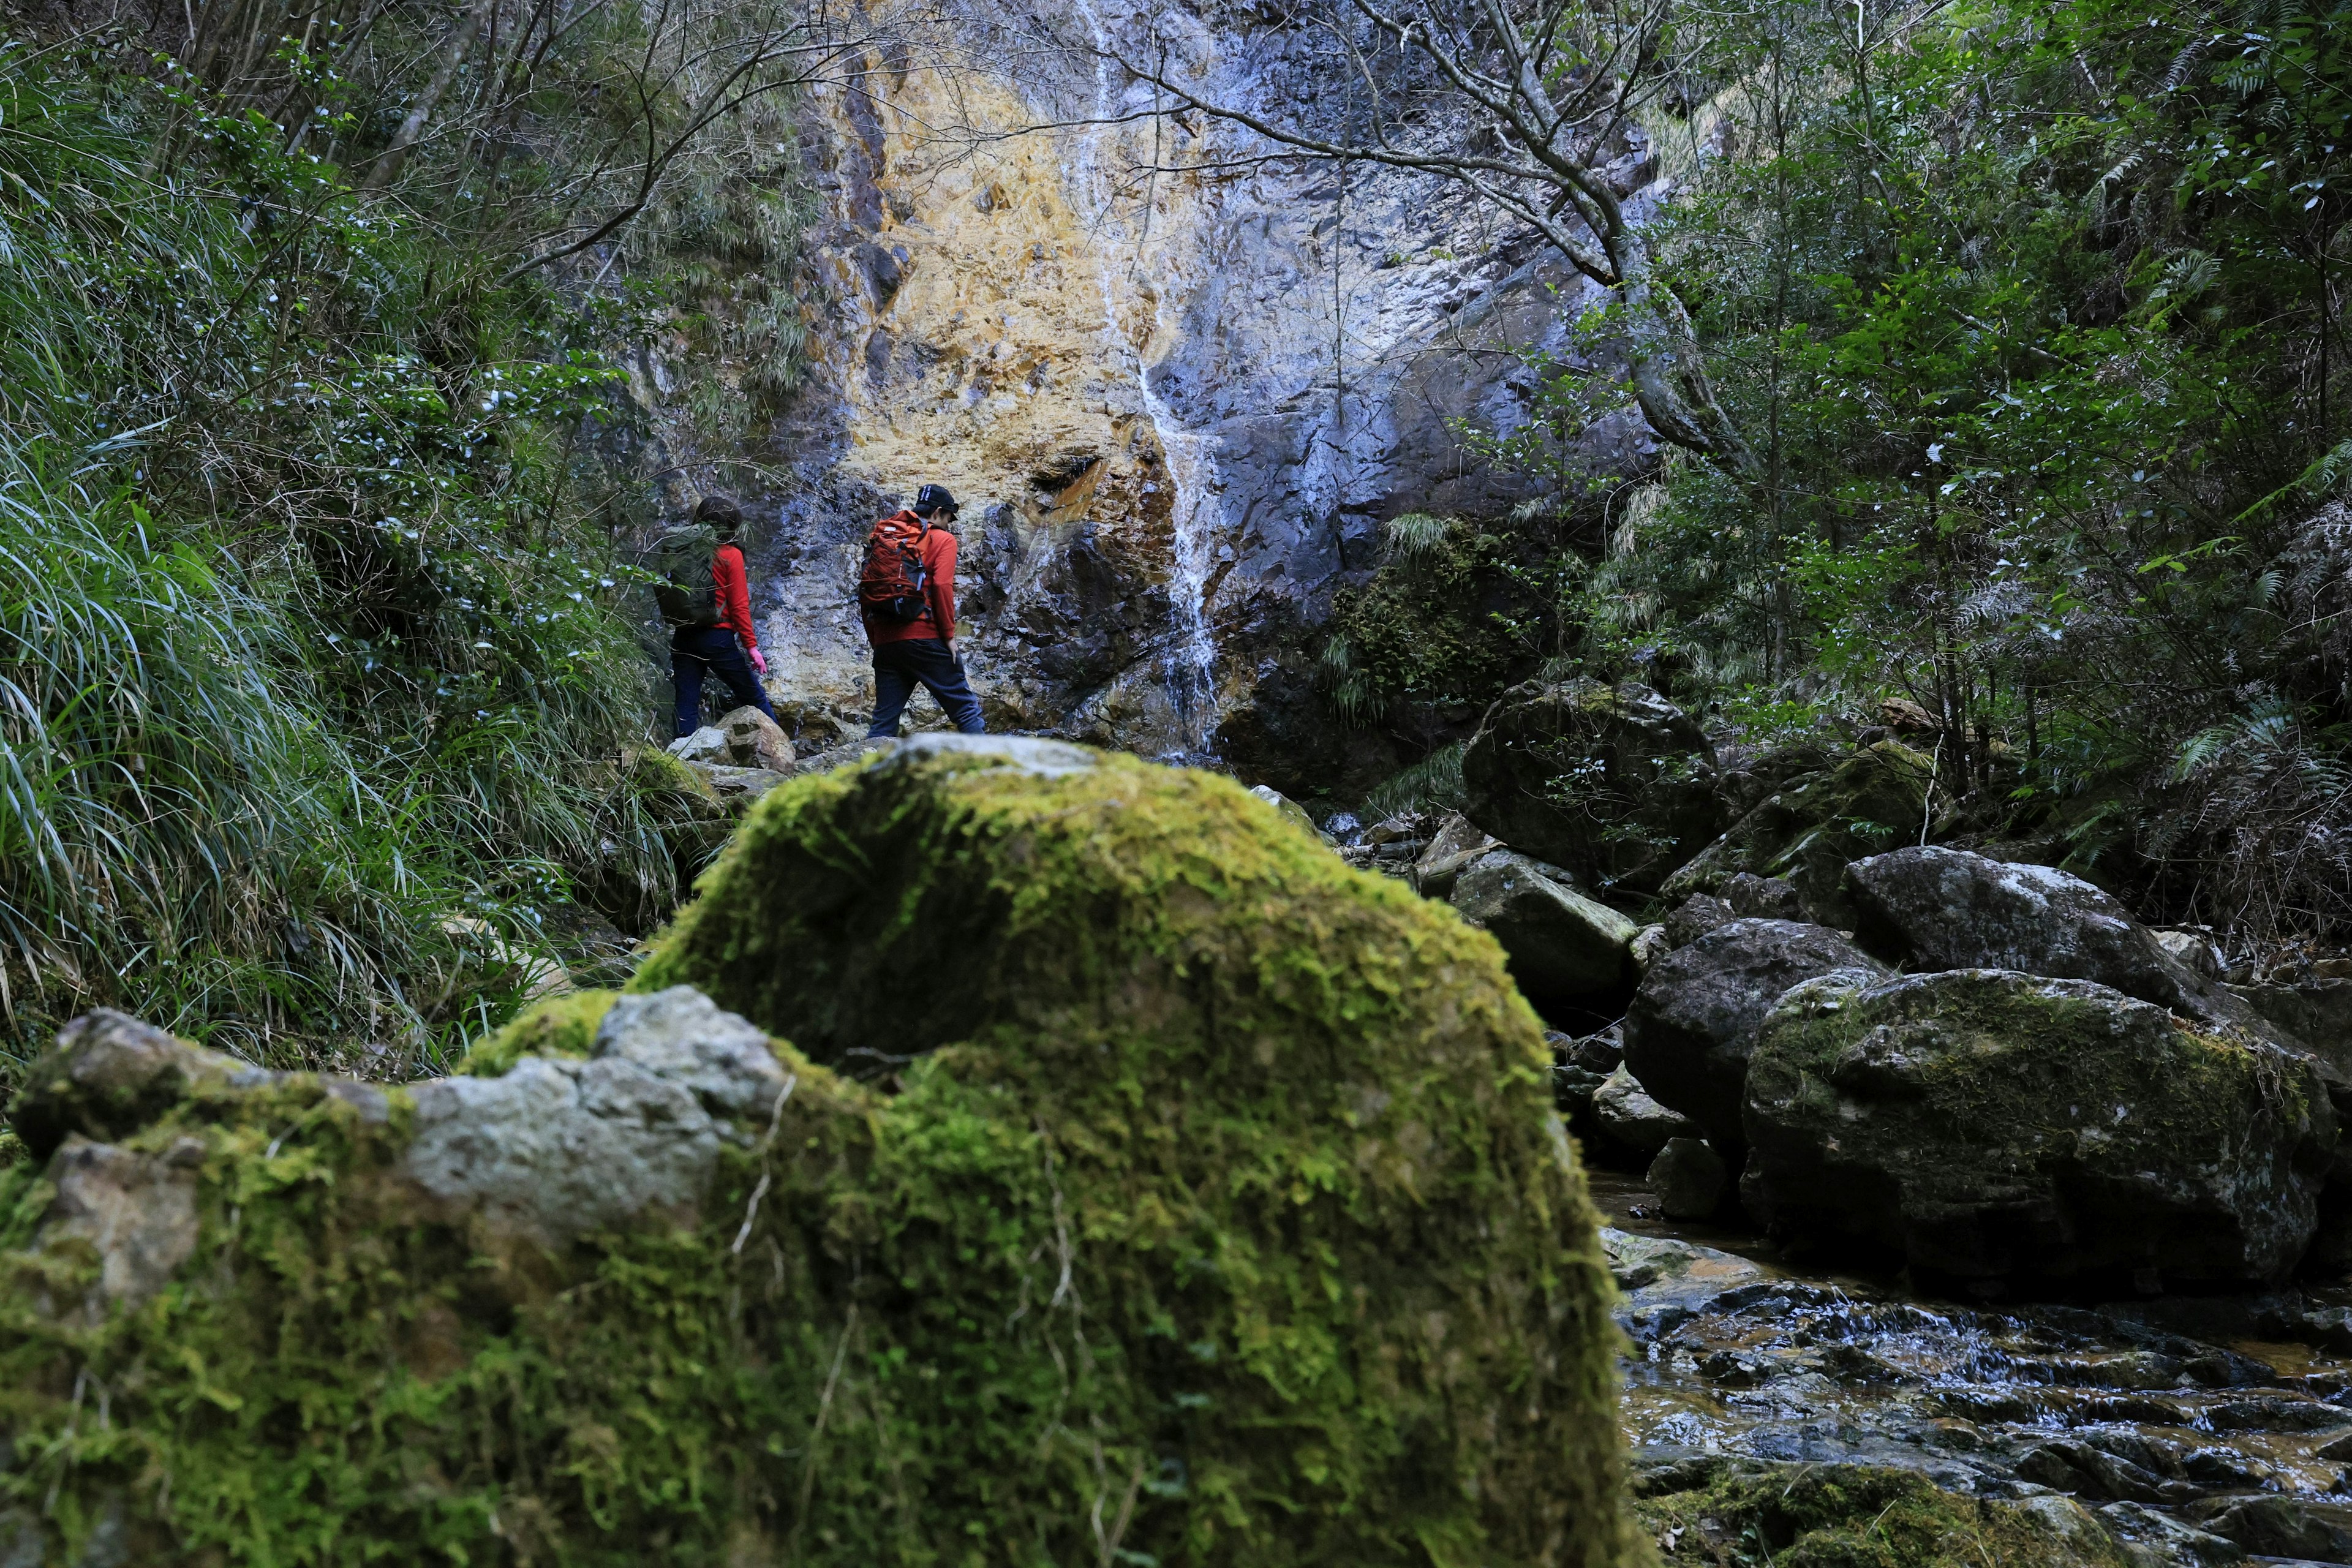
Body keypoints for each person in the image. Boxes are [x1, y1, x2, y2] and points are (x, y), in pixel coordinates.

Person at [859, 483, 986, 737]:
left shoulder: (887, 540)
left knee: (884, 723)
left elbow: (865, 592)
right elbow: (941, 585)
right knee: (965, 710)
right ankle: (989, 774)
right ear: (938, 512)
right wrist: (949, 637)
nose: (949, 524)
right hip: (925, 638)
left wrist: (878, 641)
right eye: (949, 517)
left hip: (887, 643)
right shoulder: (942, 539)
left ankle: (864, 776)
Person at [665, 493, 777, 739]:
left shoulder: (683, 550)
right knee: (753, 696)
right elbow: (739, 606)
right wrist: (752, 648)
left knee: (686, 703)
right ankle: (785, 753)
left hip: (684, 635)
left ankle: (680, 762)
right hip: (717, 639)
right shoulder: (730, 554)